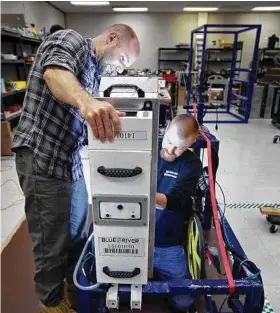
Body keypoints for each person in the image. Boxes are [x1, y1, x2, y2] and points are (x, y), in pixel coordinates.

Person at [12, 24, 140, 313]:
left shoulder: (95, 72)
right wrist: (86, 102)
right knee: (51, 241)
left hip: (69, 161)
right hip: (43, 158)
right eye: (122, 61)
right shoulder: (70, 40)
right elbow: (55, 72)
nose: (120, 70)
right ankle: (52, 304)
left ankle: (72, 287)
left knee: (78, 229)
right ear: (111, 39)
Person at [154, 114, 201, 312]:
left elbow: (178, 199)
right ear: (165, 131)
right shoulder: (147, 146)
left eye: (179, 147)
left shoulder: (191, 164)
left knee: (184, 302)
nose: (170, 151)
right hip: (131, 237)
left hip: (167, 244)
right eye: (169, 141)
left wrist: (142, 196)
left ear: (192, 143)